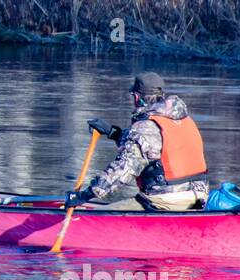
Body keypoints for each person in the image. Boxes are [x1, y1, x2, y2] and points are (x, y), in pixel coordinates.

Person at [67, 72, 209, 211]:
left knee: (97, 220)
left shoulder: (144, 127)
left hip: (165, 200)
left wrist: (84, 195)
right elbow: (151, 147)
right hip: (199, 198)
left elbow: (122, 171)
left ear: (136, 97)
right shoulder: (185, 120)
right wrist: (112, 132)